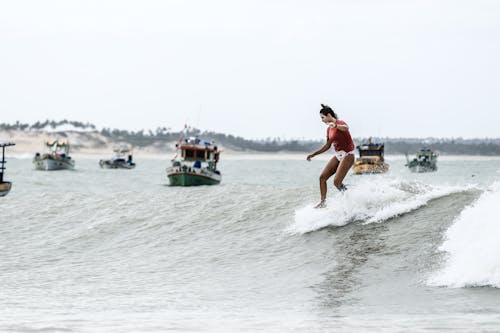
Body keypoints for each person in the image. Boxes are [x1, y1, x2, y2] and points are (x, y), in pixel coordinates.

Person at [307, 104, 355, 208]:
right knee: (322, 177)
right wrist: (313, 154)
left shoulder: (339, 123)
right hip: (338, 155)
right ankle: (323, 203)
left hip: (348, 155)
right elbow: (327, 146)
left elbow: (346, 128)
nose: (322, 120)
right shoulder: (329, 129)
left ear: (329, 115)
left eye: (322, 117)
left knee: (336, 182)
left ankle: (350, 198)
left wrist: (336, 125)